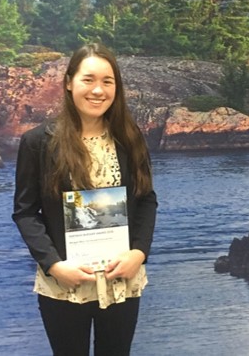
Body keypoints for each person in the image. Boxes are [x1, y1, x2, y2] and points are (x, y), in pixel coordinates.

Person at [13, 43, 157, 356]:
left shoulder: (130, 137)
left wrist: (139, 253)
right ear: (69, 82)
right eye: (88, 79)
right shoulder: (38, 142)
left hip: (122, 280)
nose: (98, 90)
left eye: (108, 81)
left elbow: (146, 200)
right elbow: (25, 213)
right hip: (65, 284)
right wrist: (54, 265)